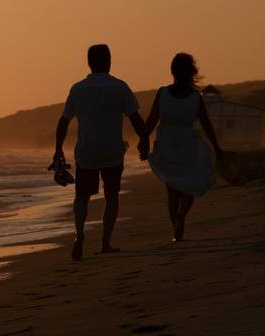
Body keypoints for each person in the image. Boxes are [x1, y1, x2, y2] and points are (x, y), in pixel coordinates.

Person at [54, 44, 149, 260]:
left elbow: (64, 121)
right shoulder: (120, 87)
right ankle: (105, 242)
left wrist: (58, 149)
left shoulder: (78, 89)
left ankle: (79, 235)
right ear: (109, 61)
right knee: (111, 195)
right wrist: (145, 139)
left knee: (82, 197)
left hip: (86, 151)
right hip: (112, 150)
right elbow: (135, 119)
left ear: (89, 63)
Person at [137, 53, 223, 242]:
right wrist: (216, 148)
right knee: (189, 185)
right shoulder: (195, 98)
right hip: (187, 142)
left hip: (167, 143)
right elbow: (206, 124)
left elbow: (151, 121)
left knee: (172, 188)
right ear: (191, 72)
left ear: (172, 71)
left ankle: (175, 225)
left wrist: (143, 140)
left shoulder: (163, 93)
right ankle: (182, 215)